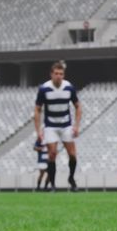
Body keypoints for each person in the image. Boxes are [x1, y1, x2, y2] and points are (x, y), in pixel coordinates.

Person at [34, 61, 82, 191]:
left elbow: (78, 106)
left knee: (72, 154)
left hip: (66, 125)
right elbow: (37, 109)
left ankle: (71, 178)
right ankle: (53, 184)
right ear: (51, 74)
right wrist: (38, 130)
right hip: (51, 126)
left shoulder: (69, 87)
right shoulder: (44, 89)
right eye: (56, 73)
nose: (58, 76)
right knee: (52, 154)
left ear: (63, 75)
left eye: (61, 74)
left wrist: (76, 126)